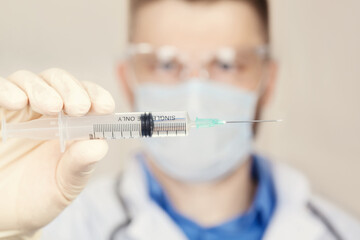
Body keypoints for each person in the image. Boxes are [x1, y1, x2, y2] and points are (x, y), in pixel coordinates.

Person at [0, 0, 359, 239]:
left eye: (226, 63)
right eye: (167, 64)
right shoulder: (57, 229)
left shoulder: (342, 232)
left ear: (268, 81)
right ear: (128, 80)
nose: (195, 93)